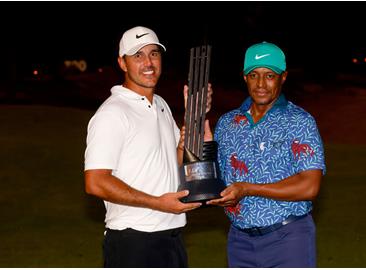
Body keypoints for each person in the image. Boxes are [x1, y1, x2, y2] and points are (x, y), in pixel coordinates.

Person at [84, 26, 212, 267]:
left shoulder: (161, 104)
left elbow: (175, 159)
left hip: (171, 238)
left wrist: (195, 115)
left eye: (154, 53)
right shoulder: (112, 113)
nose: (148, 62)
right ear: (122, 63)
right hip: (134, 243)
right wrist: (157, 202)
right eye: (138, 55)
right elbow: (95, 181)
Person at [207, 41, 326, 267]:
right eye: (254, 75)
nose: (261, 84)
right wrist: (199, 147)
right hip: (239, 240)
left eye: (270, 75)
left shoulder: (299, 122)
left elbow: (310, 187)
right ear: (244, 77)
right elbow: (217, 180)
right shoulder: (227, 123)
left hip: (288, 237)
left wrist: (248, 189)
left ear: (283, 77)